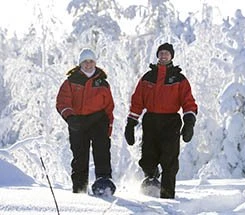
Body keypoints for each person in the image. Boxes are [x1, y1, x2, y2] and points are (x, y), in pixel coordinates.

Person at [124, 43, 198, 199]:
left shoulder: (179, 78)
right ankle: (151, 183)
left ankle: (167, 196)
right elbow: (137, 100)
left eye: (167, 53)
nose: (164, 56)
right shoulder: (148, 77)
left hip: (171, 122)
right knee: (148, 158)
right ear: (158, 55)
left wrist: (189, 122)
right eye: (161, 53)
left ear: (171, 56)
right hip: (150, 121)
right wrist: (131, 123)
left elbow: (188, 102)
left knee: (169, 160)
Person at [56, 48, 115, 194]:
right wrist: (70, 117)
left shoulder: (102, 82)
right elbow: (62, 102)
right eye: (85, 62)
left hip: (98, 120)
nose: (88, 64)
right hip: (78, 122)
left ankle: (104, 182)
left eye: (91, 61)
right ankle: (79, 188)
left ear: (94, 63)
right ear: (80, 64)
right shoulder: (71, 81)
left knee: (102, 150)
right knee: (79, 155)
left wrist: (109, 126)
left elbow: (109, 106)